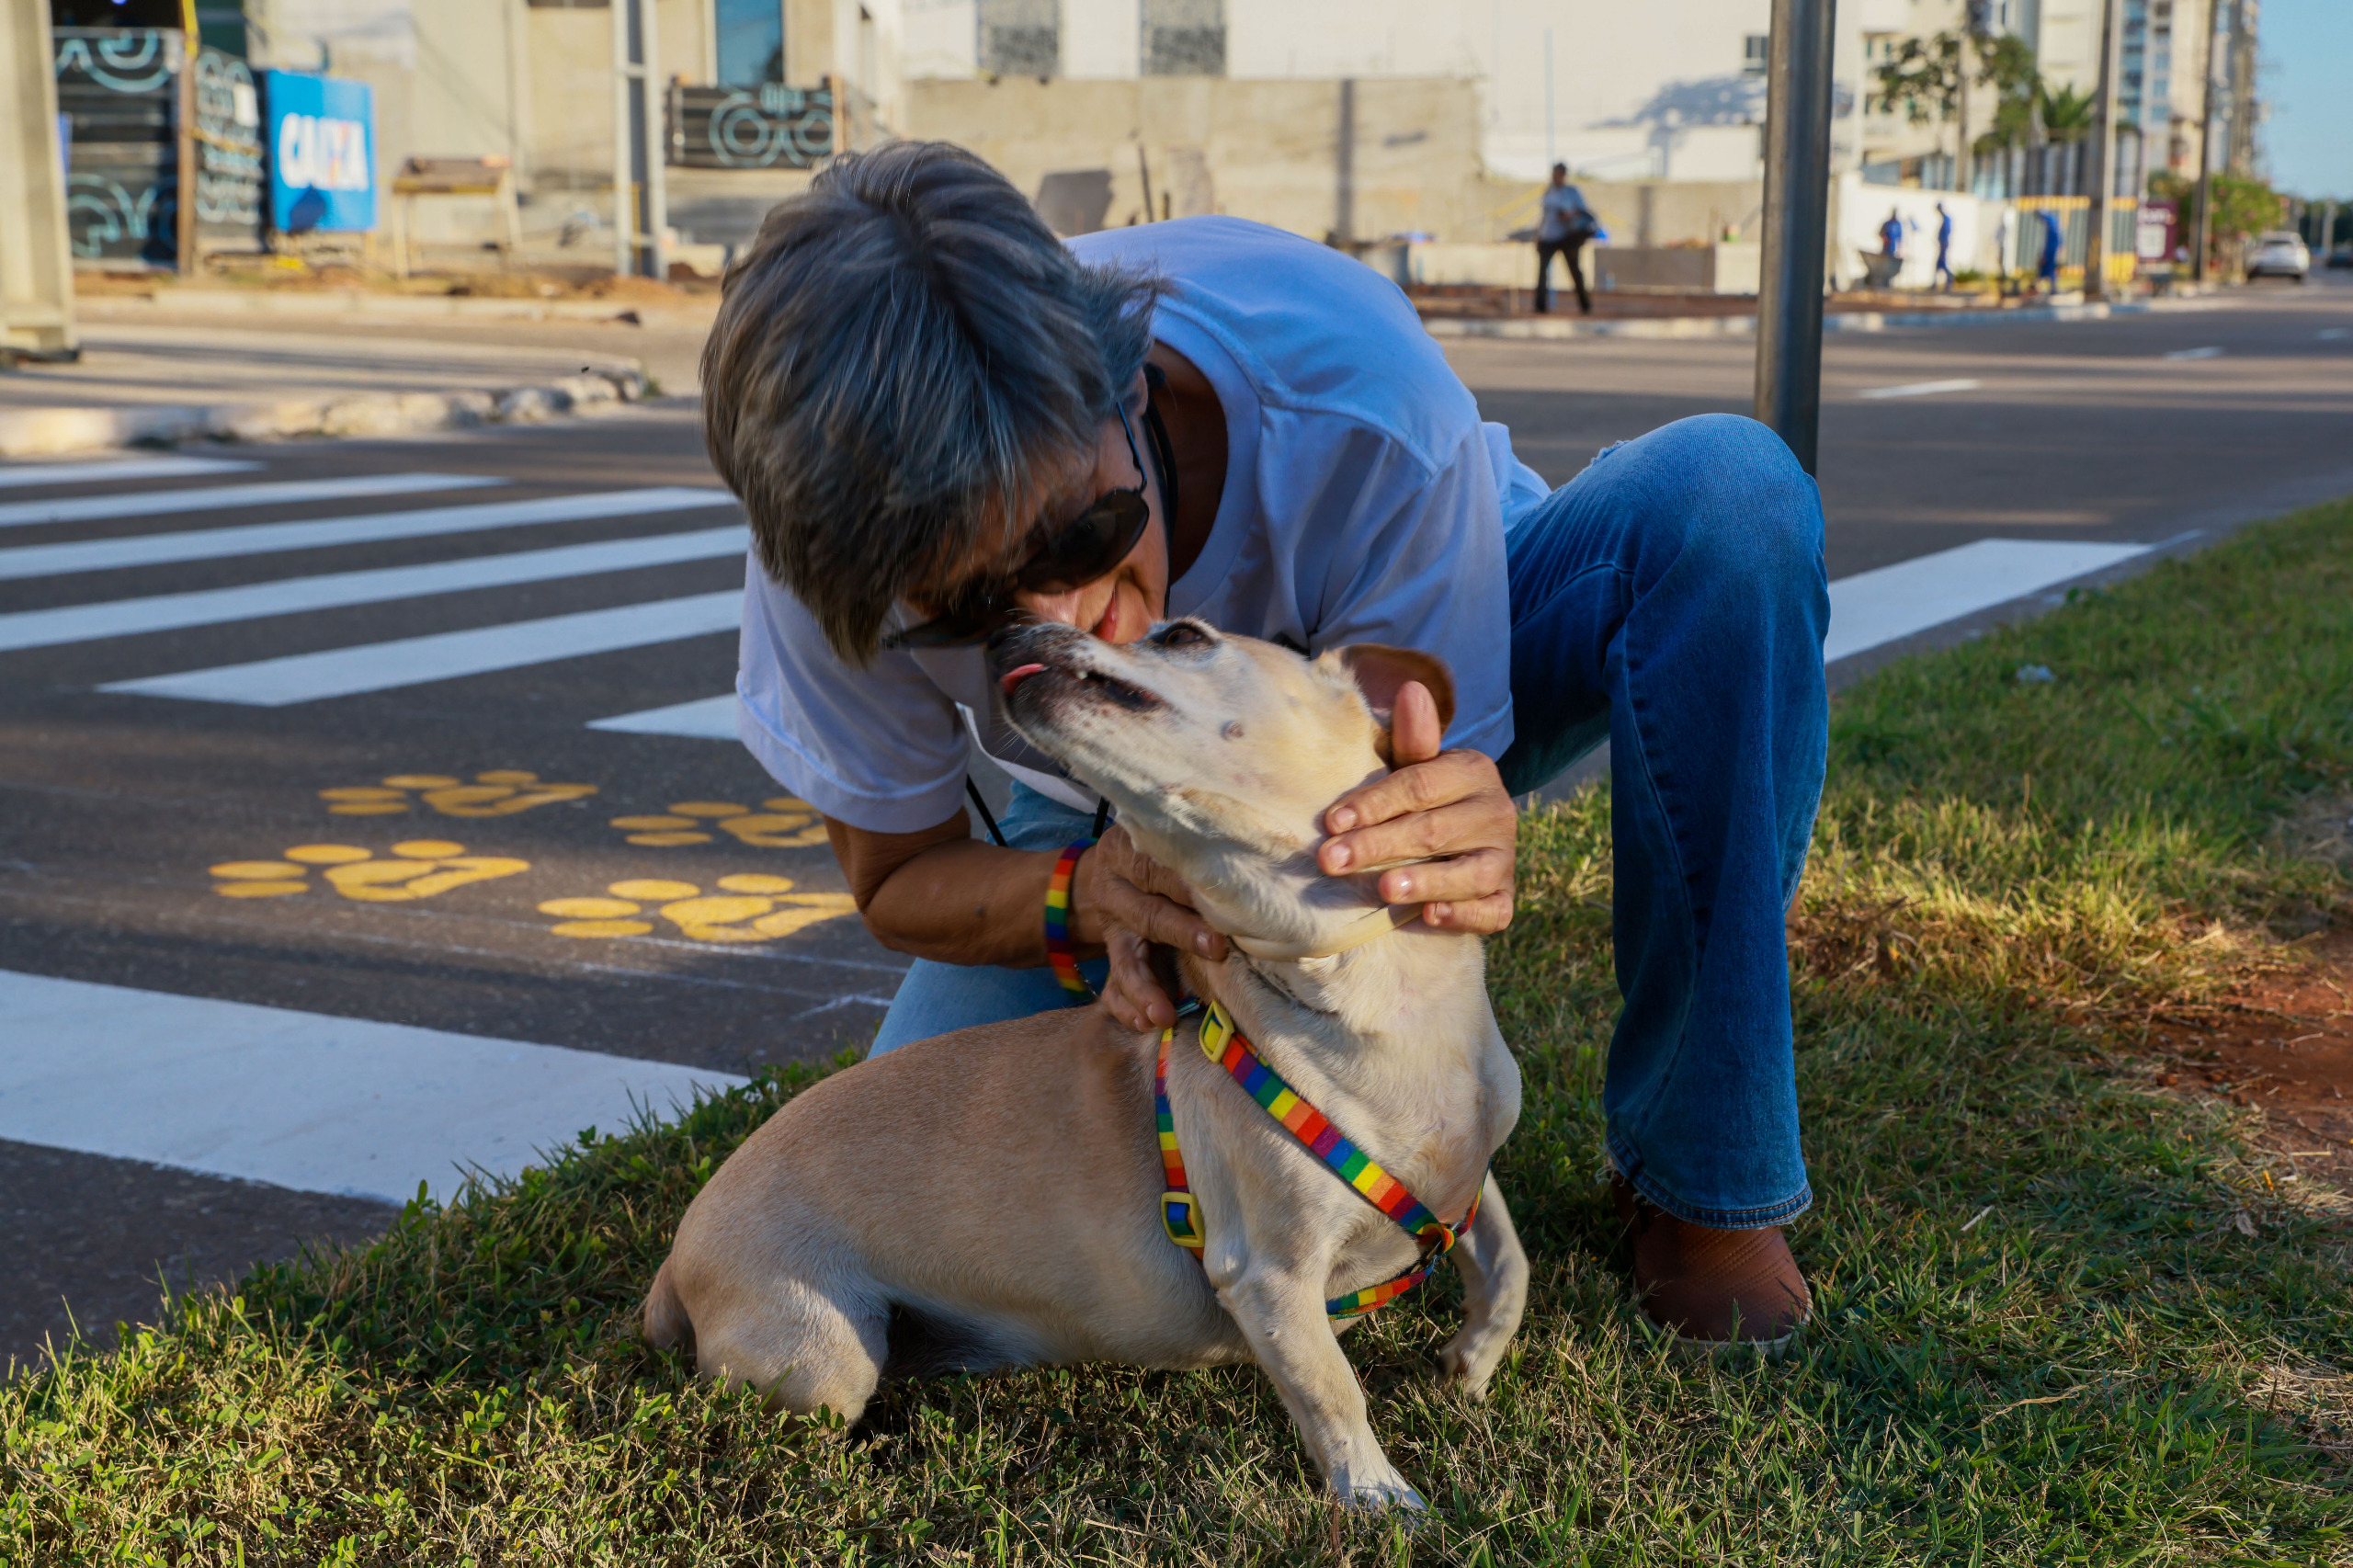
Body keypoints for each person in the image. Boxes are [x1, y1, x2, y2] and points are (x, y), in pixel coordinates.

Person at [708, 142, 1827, 1348]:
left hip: (1399, 682)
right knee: (905, 1209)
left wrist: (1442, 819)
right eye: (973, 613)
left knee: (1728, 495)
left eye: (1082, 534)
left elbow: (1400, 833)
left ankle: (1703, 1176)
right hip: (1103, 802)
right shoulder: (833, 549)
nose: (1070, 621)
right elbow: (898, 876)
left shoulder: (1350, 391)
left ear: (1129, 391)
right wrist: (1090, 894)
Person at [1533, 163, 1595, 315]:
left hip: (1567, 238)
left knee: (1575, 271)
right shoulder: (1548, 192)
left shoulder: (1572, 192)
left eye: (1560, 173)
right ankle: (1540, 307)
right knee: (1542, 272)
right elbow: (1544, 216)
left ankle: (1585, 305)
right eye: (1555, 173)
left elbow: (1582, 212)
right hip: (1548, 237)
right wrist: (1538, 235)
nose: (1557, 176)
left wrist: (1568, 215)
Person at [2037, 207, 2063, 291]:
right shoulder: (2053, 222)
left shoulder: (2051, 223)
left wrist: (2045, 253)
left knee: (2050, 268)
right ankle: (2049, 286)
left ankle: (2052, 287)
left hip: (2051, 249)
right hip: (2052, 248)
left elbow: (2053, 239)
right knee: (2049, 268)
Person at [1933, 201, 1955, 289]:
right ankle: (1936, 283)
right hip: (1942, 245)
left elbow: (1946, 233)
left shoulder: (1946, 219)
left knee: (1942, 264)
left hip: (1944, 245)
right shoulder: (1944, 219)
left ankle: (1950, 279)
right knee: (1939, 264)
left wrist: (1943, 243)